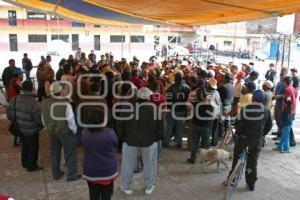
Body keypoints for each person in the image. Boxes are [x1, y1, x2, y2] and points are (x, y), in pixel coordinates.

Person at [116, 87, 165, 195]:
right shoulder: (155, 109)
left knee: (127, 165)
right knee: (150, 165)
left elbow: (119, 125)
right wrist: (155, 139)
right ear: (148, 96)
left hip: (130, 142)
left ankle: (126, 186)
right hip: (149, 143)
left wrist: (124, 138)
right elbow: (161, 128)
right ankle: (149, 186)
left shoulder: (128, 108)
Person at [226, 90, 272, 191]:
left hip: (244, 139)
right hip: (257, 140)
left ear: (253, 98)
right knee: (252, 162)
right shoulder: (267, 110)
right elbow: (269, 126)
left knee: (237, 158)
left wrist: (239, 134)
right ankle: (251, 183)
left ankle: (232, 179)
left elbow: (239, 124)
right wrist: (262, 134)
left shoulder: (245, 109)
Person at [41, 82, 80, 182]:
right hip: (65, 132)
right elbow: (70, 120)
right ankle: (71, 175)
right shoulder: (65, 104)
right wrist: (74, 130)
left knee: (54, 153)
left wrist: (47, 127)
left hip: (52, 131)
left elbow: (43, 118)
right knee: (70, 153)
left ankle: (56, 173)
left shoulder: (44, 102)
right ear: (60, 92)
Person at [6, 81, 43, 171]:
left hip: (19, 128)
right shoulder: (35, 103)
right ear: (32, 89)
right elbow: (39, 120)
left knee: (25, 145)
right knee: (33, 148)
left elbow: (9, 114)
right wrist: (39, 127)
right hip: (32, 130)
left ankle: (24, 163)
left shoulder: (14, 99)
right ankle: (31, 166)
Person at [82, 109, 118, 200]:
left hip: (90, 170)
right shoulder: (110, 133)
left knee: (93, 194)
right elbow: (115, 144)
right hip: (107, 171)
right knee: (107, 195)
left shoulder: (84, 133)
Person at [163, 71, 191, 148]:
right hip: (182, 110)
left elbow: (168, 99)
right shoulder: (187, 88)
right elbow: (188, 100)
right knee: (179, 127)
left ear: (175, 78)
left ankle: (166, 142)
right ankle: (179, 142)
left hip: (172, 109)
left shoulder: (171, 87)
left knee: (169, 126)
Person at [187, 88, 214, 163]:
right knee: (205, 144)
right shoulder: (209, 106)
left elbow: (187, 106)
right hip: (206, 127)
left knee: (195, 143)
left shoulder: (194, 104)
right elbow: (212, 116)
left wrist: (190, 98)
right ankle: (205, 160)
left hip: (196, 125)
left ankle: (193, 159)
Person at [206, 77, 221, 146]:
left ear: (209, 85)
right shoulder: (217, 92)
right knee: (215, 129)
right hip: (217, 113)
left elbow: (208, 105)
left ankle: (205, 142)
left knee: (208, 128)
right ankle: (214, 142)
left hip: (211, 114)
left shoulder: (208, 94)